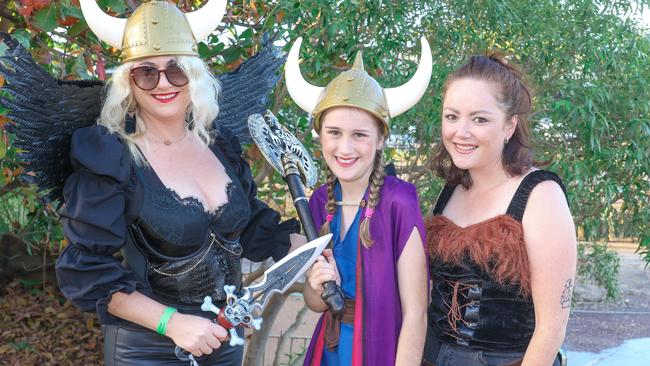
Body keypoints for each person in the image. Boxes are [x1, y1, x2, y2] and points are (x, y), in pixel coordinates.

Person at [52, 1, 302, 365]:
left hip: (224, 340)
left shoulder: (220, 147)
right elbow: (86, 269)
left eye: (176, 70)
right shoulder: (111, 156)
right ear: (129, 83)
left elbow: (245, 230)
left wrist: (301, 245)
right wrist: (171, 322)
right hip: (147, 349)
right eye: (146, 73)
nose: (164, 83)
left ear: (195, 74)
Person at [284, 37, 432, 366]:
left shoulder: (398, 201)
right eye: (334, 132)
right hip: (329, 352)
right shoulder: (320, 201)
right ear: (320, 134)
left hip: (382, 353)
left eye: (360, 135)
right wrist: (318, 283)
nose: (345, 148)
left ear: (380, 139)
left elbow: (416, 314)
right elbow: (314, 302)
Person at [422, 53, 576, 366]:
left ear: (509, 126)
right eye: (452, 116)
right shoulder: (449, 191)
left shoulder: (541, 195)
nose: (460, 132)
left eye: (479, 119)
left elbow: (552, 327)